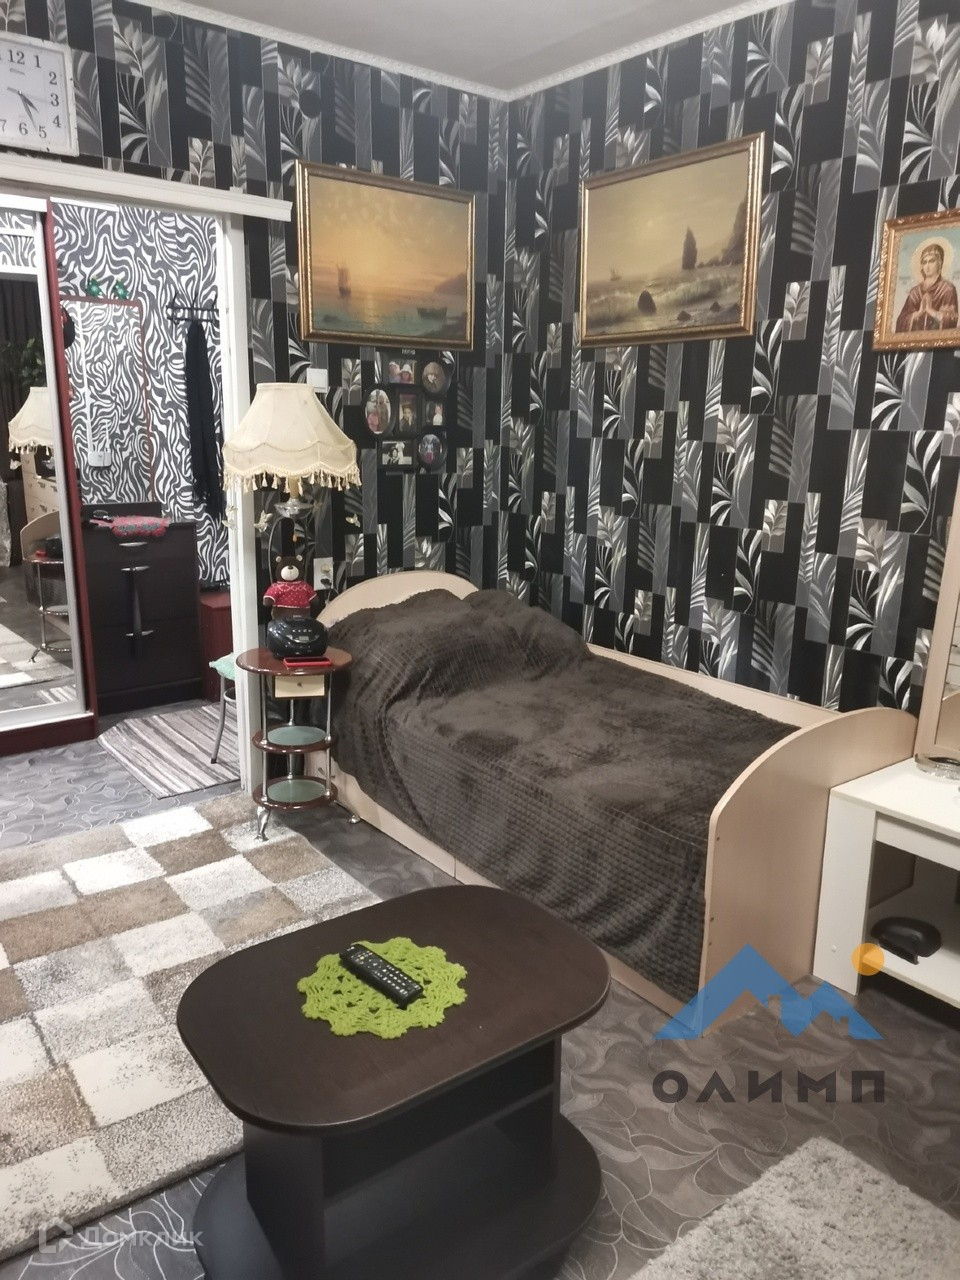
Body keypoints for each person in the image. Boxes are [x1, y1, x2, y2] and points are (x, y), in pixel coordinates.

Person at [896, 242, 959, 333]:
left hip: (938, 339)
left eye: (932, 261)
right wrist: (918, 313)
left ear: (940, 262)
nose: (927, 266)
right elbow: (901, 321)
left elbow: (952, 320)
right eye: (924, 262)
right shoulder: (914, 293)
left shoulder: (947, 289)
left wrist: (931, 311)